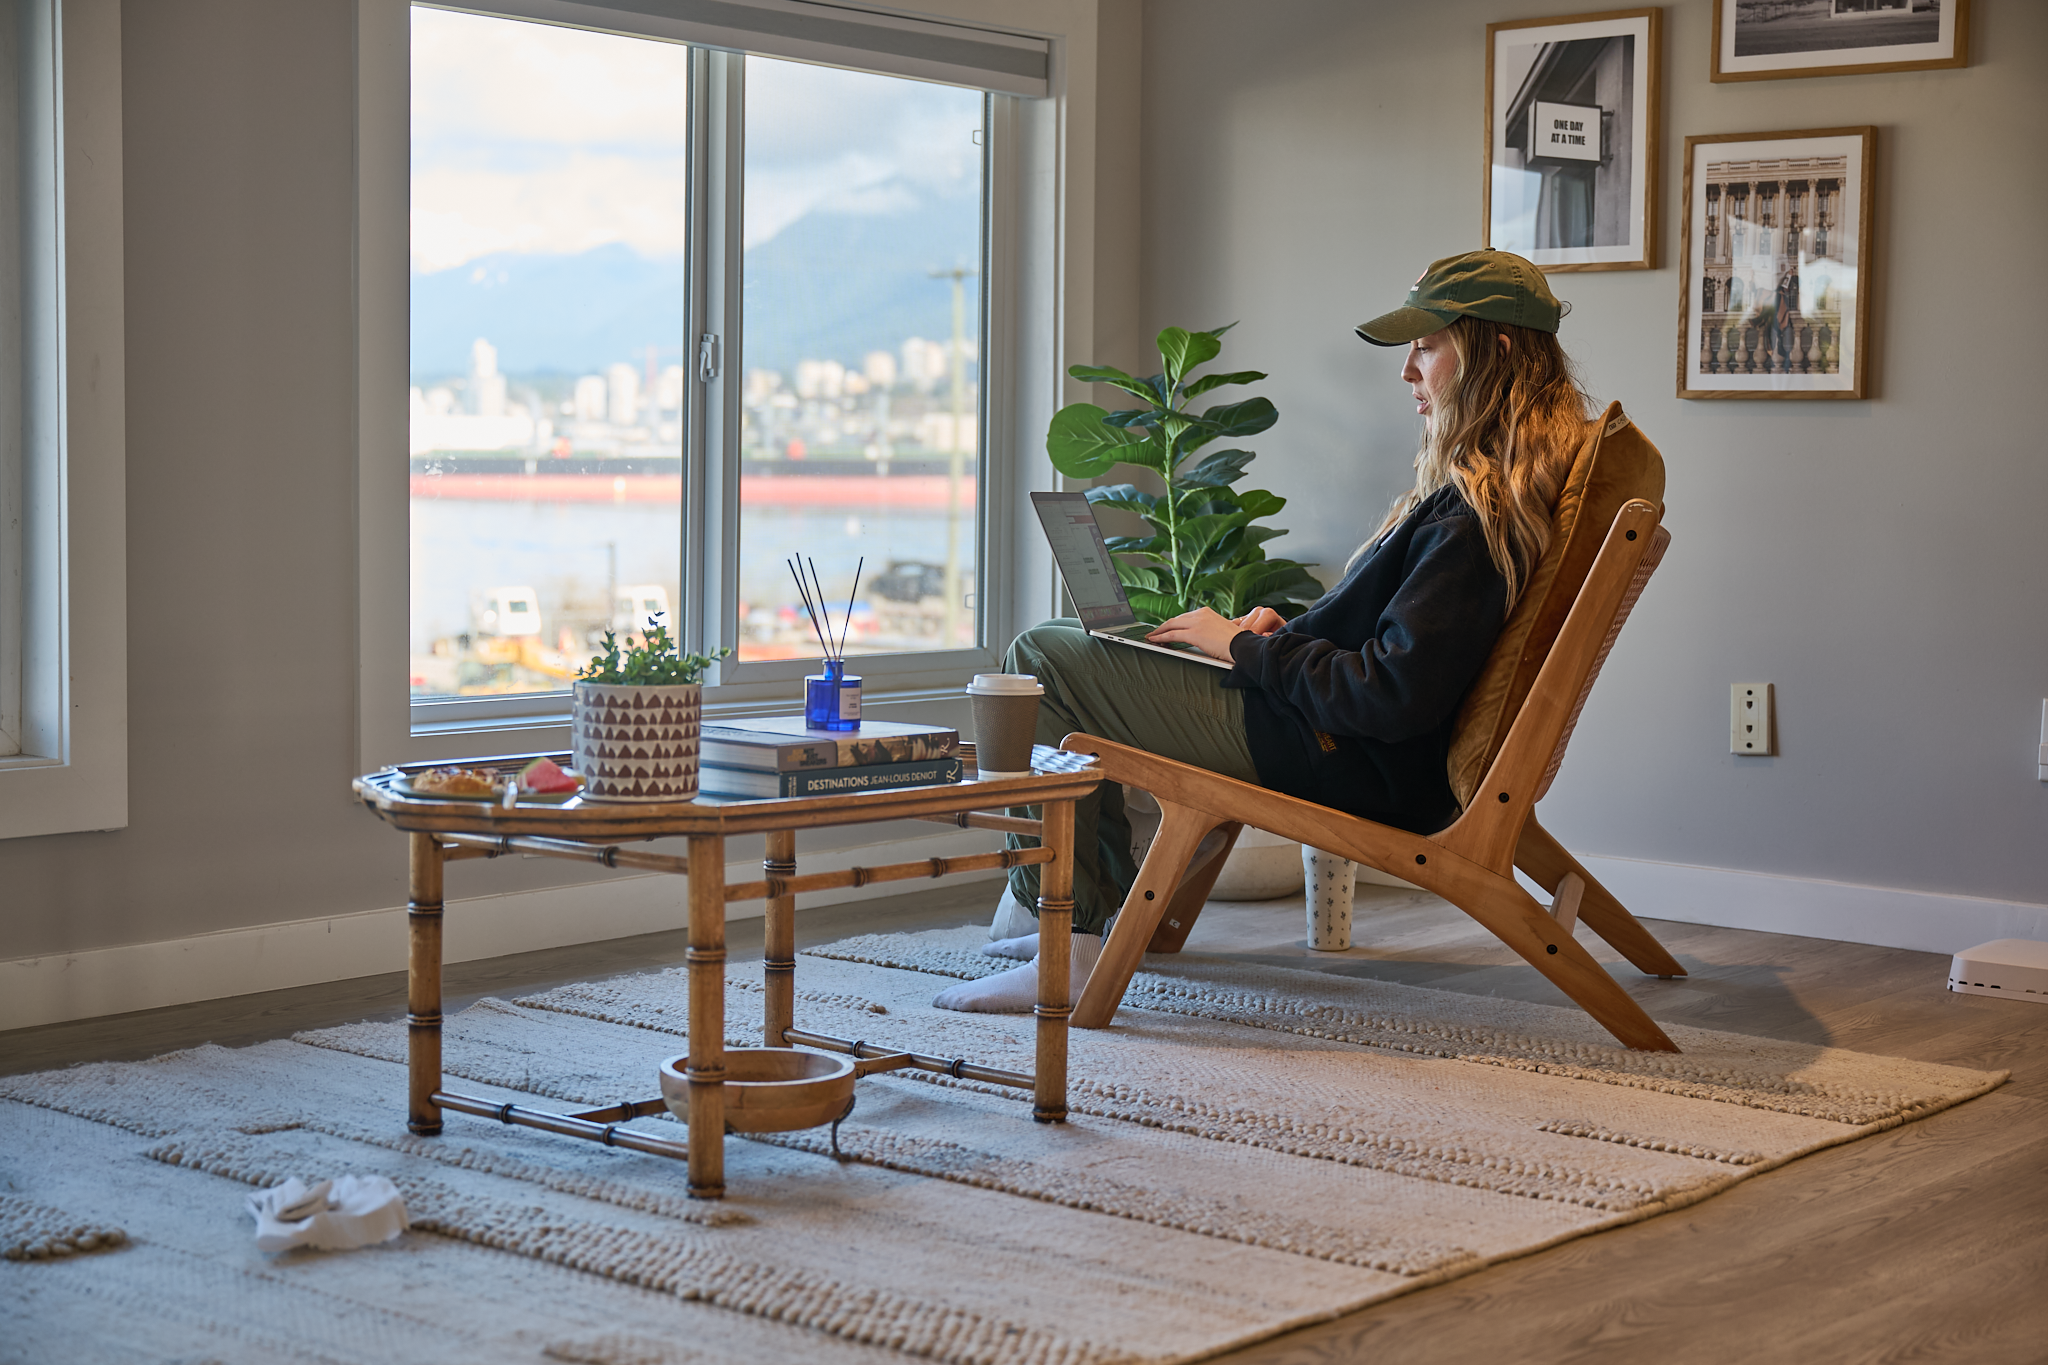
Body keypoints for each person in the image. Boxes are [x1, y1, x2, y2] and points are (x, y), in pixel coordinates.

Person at [933, 249, 1595, 1013]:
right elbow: (1399, 654)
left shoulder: (1476, 517)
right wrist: (1283, 635)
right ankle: (1076, 923)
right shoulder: (1488, 495)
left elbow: (1392, 695)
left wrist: (1246, 648)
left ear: (1497, 353)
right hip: (1323, 735)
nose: (1408, 370)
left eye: (1427, 345)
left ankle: (1070, 937)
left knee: (1042, 659)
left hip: (1331, 751)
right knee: (1067, 640)